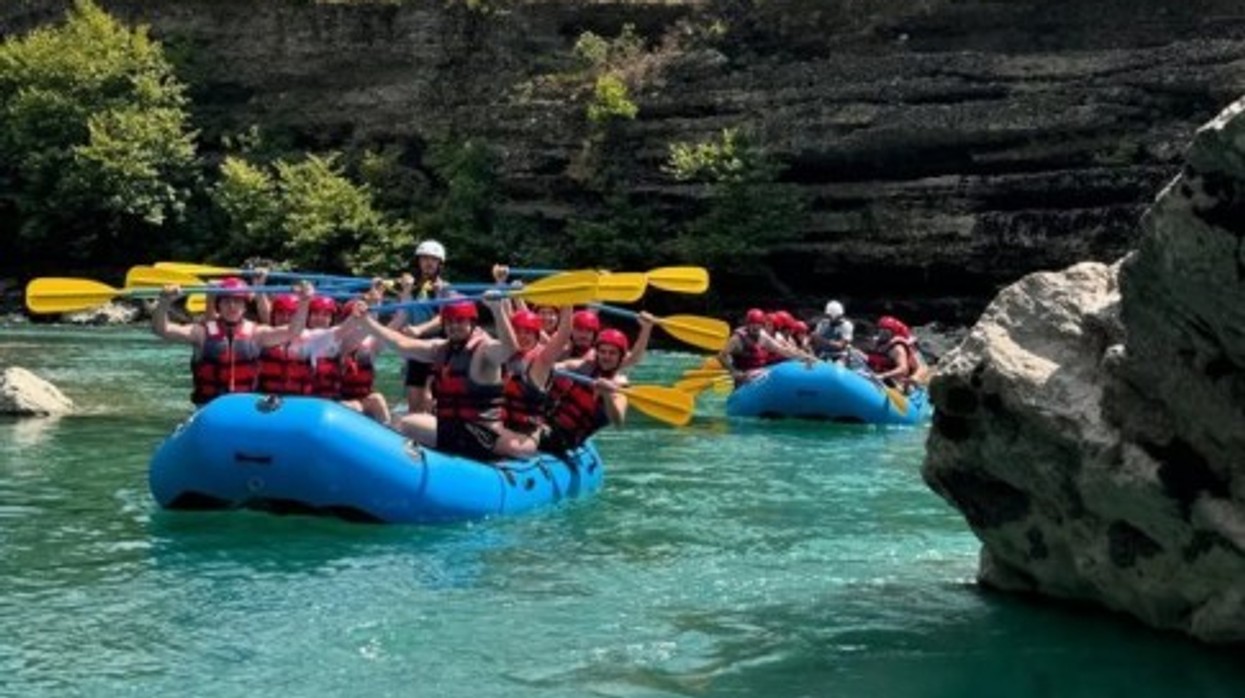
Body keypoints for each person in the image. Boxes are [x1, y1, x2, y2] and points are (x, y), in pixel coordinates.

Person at [348, 296, 540, 461]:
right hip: (452, 429)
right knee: (405, 420)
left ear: (472, 323)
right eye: (449, 322)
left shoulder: (485, 350)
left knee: (405, 423)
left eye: (459, 321)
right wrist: (368, 323)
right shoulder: (441, 348)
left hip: (481, 434)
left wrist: (498, 311)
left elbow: (508, 349)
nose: (454, 326)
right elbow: (402, 343)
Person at [152, 278, 313, 405]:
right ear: (219, 305)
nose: (232, 306)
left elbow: (293, 331)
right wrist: (164, 303)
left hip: (247, 407)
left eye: (237, 301)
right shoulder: (201, 332)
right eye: (226, 301)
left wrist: (304, 302)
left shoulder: (257, 333)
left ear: (244, 307)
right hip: (209, 407)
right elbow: (163, 330)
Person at [537, 317, 654, 456]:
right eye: (603, 351)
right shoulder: (586, 366)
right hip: (547, 423)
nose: (606, 356)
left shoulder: (620, 385)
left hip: (567, 438)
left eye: (612, 353)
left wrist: (607, 395)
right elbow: (556, 366)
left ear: (621, 357)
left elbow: (618, 422)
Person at [393, 239, 448, 414]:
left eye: (433, 259)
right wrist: (407, 292)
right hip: (414, 347)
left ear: (440, 263)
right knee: (413, 398)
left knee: (428, 396)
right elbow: (402, 314)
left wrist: (419, 329)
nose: (428, 263)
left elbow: (444, 318)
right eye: (425, 259)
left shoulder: (445, 289)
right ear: (419, 262)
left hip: (437, 347)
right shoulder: (412, 287)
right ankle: (414, 432)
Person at [719, 308, 814, 386]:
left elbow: (783, 351)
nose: (755, 327)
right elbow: (722, 355)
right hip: (745, 376)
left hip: (760, 373)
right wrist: (734, 372)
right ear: (747, 324)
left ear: (761, 325)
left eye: (758, 324)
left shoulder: (762, 336)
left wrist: (805, 357)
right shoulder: (738, 338)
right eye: (752, 324)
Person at [868, 315, 929, 391]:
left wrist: (882, 376)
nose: (882, 333)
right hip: (883, 374)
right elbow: (871, 358)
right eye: (881, 330)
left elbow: (903, 369)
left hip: (899, 381)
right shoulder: (879, 343)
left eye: (886, 331)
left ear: (892, 333)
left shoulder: (897, 348)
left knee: (912, 380)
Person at [811, 300, 854, 364]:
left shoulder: (846, 325)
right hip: (824, 354)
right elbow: (815, 340)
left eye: (829, 316)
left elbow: (841, 345)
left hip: (840, 355)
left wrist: (823, 340)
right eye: (827, 315)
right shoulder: (822, 323)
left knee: (839, 364)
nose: (827, 318)